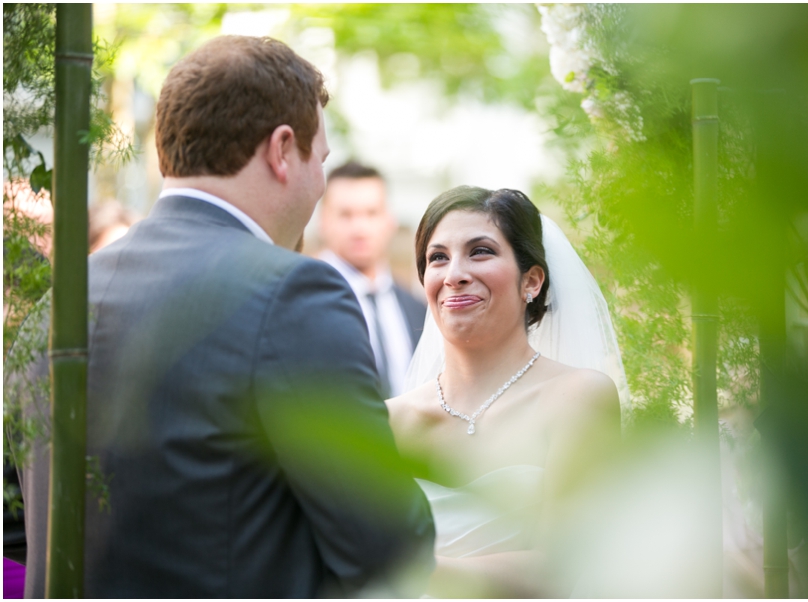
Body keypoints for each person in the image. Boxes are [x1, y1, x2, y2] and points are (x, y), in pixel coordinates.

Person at [14, 36, 433, 598]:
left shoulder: (55, 303)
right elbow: (387, 547)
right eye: (322, 160)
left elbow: (18, 530)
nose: (319, 186)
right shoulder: (291, 292)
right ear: (283, 149)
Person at [387, 186, 628, 597]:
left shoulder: (578, 398)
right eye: (437, 257)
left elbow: (562, 568)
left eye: (480, 251)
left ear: (531, 281)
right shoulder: (392, 418)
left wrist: (412, 566)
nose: (454, 274)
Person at [317, 162, 426, 398]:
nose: (360, 228)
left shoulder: (418, 308)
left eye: (371, 213)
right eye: (346, 215)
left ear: (390, 220)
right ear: (323, 221)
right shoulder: (302, 301)